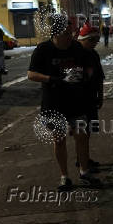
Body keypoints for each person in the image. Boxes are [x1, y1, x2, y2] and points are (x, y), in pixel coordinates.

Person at [28, 14, 100, 190]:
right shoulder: (43, 49)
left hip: (76, 100)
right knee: (59, 139)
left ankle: (84, 172)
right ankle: (64, 177)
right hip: (53, 102)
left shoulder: (76, 48)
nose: (70, 36)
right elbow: (31, 75)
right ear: (55, 34)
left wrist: (85, 76)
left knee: (81, 136)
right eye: (66, 33)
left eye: (71, 32)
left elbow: (88, 66)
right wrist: (52, 79)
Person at [76, 22, 104, 169]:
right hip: (78, 99)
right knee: (81, 132)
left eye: (96, 41)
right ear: (82, 39)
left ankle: (83, 158)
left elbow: (99, 76)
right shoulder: (75, 54)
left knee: (88, 131)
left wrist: (101, 95)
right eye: (91, 40)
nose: (94, 44)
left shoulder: (93, 54)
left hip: (91, 98)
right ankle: (82, 160)